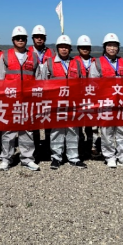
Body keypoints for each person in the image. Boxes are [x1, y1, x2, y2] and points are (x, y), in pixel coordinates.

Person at [0, 26, 43, 172]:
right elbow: (0, 78)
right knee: (8, 131)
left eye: (23, 38)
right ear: (13, 40)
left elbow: (38, 79)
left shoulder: (33, 56)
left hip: (28, 99)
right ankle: (6, 159)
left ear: (26, 40)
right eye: (18, 38)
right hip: (10, 99)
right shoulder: (5, 55)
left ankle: (27, 159)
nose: (20, 40)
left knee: (27, 130)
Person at [88, 33, 123, 169]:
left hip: (122, 102)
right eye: (109, 45)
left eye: (115, 46)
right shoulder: (97, 63)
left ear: (118, 48)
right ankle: (109, 156)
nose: (112, 48)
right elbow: (93, 83)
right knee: (106, 131)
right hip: (106, 102)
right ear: (105, 47)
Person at [44, 35, 86, 170]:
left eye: (66, 47)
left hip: (73, 102)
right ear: (57, 48)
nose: (64, 49)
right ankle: (56, 157)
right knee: (57, 130)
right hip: (56, 102)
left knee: (73, 130)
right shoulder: (49, 63)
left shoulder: (77, 63)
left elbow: (82, 82)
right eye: (61, 47)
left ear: (70, 49)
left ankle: (73, 157)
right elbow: (42, 82)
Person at [29, 25, 54, 152]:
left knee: (48, 118)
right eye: (37, 37)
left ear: (45, 38)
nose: (39, 39)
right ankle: (36, 146)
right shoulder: (27, 52)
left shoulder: (52, 53)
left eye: (41, 37)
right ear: (33, 38)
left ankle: (49, 145)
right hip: (32, 92)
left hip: (48, 92)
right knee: (34, 119)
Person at [75, 35, 99, 159]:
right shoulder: (73, 61)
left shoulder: (96, 61)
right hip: (78, 96)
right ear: (78, 48)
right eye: (82, 47)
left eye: (87, 47)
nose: (85, 49)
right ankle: (80, 146)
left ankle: (92, 146)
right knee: (78, 123)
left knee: (92, 124)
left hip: (92, 96)